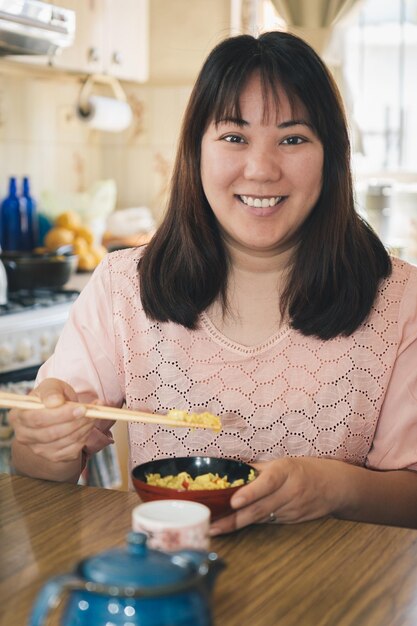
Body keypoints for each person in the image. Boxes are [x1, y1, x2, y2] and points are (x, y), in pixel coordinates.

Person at [9, 31, 417, 534]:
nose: (261, 169)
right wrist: (43, 441)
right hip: (170, 585)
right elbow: (41, 472)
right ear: (196, 151)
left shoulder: (400, 300)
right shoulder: (122, 288)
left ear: (332, 157)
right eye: (233, 137)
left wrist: (334, 487)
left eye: (293, 139)